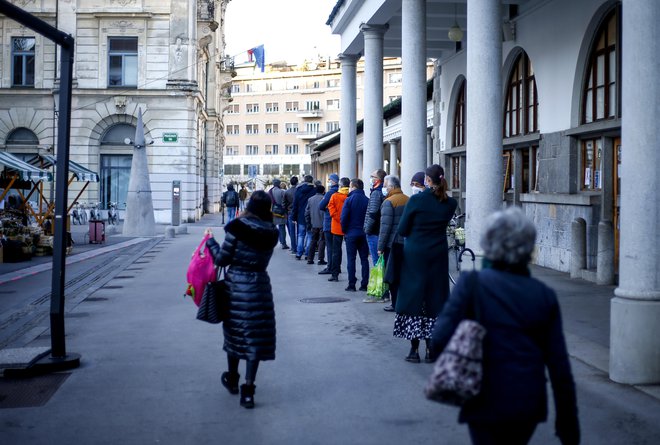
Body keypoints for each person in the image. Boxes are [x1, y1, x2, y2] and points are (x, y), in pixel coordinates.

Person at [430, 207, 580, 445]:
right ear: (528, 248)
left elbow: (438, 340)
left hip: (483, 396)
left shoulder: (472, 284)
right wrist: (568, 421)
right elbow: (559, 366)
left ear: (489, 244)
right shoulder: (543, 295)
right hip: (527, 400)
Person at [204, 190, 279, 409]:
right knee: (254, 339)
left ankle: (232, 379)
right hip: (260, 287)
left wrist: (210, 242)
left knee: (235, 336)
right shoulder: (271, 232)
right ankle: (248, 390)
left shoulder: (237, 227)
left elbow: (222, 259)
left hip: (235, 287)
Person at [394, 165, 457, 363]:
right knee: (434, 299)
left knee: (414, 298)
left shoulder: (416, 200)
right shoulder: (450, 203)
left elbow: (403, 229)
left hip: (415, 255)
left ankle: (414, 350)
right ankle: (431, 349)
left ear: (427, 181)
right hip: (438, 255)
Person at [372, 174, 408, 307]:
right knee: (404, 273)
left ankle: (395, 303)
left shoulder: (389, 202)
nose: (384, 188)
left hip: (392, 244)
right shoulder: (407, 199)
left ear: (392, 187)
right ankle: (403, 300)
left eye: (385, 186)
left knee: (392, 274)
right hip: (406, 242)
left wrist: (380, 247)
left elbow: (385, 227)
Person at [340, 178, 370, 292]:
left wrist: (345, 231)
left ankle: (352, 284)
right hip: (364, 234)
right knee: (364, 259)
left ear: (353, 187)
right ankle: (364, 284)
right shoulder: (367, 200)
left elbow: (344, 218)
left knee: (351, 259)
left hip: (351, 233)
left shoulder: (349, 200)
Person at [326, 177, 350, 282]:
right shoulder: (350, 196)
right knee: (351, 252)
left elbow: (331, 210)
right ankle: (351, 275)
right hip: (349, 226)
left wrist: (339, 219)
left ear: (340, 186)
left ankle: (335, 273)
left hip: (336, 227)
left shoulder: (334, 196)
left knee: (336, 251)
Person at [364, 169, 387, 265]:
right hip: (379, 231)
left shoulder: (376, 193)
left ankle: (379, 280)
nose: (371, 179)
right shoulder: (382, 191)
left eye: (373, 177)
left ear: (378, 179)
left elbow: (373, 213)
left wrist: (367, 230)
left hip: (374, 232)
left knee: (377, 262)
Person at [318, 173, 339, 274]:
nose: (328, 182)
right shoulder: (341, 192)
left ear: (333, 181)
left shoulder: (330, 193)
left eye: (330, 180)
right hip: (338, 223)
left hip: (329, 222)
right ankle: (336, 267)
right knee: (337, 247)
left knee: (330, 247)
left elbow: (321, 206)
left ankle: (330, 267)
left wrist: (327, 207)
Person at [292, 175, 317, 260]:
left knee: (300, 235)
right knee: (310, 235)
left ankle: (299, 254)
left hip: (300, 216)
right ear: (312, 181)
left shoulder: (298, 190)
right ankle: (307, 254)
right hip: (311, 216)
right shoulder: (315, 190)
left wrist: (293, 217)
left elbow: (295, 205)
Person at [304, 184, 326, 265]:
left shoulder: (310, 199)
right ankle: (321, 259)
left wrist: (308, 222)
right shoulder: (324, 199)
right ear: (323, 191)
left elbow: (306, 212)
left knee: (313, 241)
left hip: (313, 224)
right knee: (322, 241)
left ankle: (310, 259)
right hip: (323, 224)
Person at [269, 178, 289, 249]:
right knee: (282, 227)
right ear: (279, 184)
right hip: (281, 212)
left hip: (272, 212)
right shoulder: (281, 192)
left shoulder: (270, 191)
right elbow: (285, 202)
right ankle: (283, 243)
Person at [283, 176, 298, 253]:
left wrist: (286, 212)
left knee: (292, 231)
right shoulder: (299, 191)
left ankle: (293, 248)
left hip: (290, 213)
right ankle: (299, 247)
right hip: (298, 212)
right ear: (297, 182)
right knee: (300, 231)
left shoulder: (287, 192)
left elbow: (284, 204)